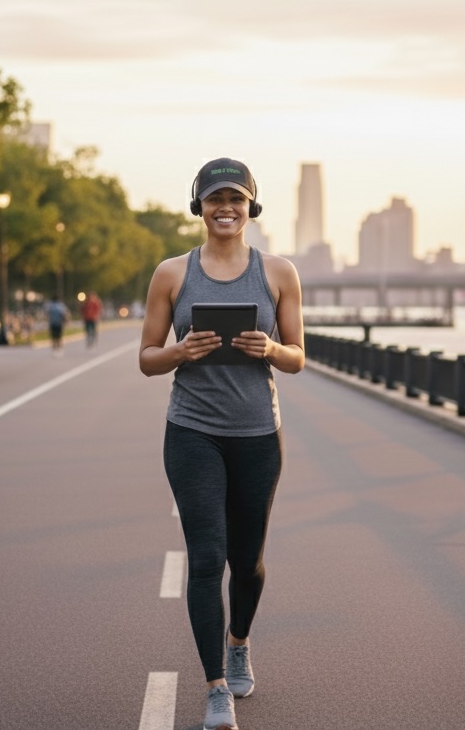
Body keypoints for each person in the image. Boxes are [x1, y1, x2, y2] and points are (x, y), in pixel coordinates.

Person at [139, 157, 305, 730]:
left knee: (248, 562)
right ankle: (216, 689)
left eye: (235, 198)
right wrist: (181, 352)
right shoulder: (172, 273)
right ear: (200, 207)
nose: (225, 208)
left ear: (251, 206)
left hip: (259, 435)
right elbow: (146, 358)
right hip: (192, 433)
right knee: (208, 559)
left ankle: (239, 642)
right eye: (214, 199)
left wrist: (271, 350)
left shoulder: (279, 273)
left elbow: (299, 357)